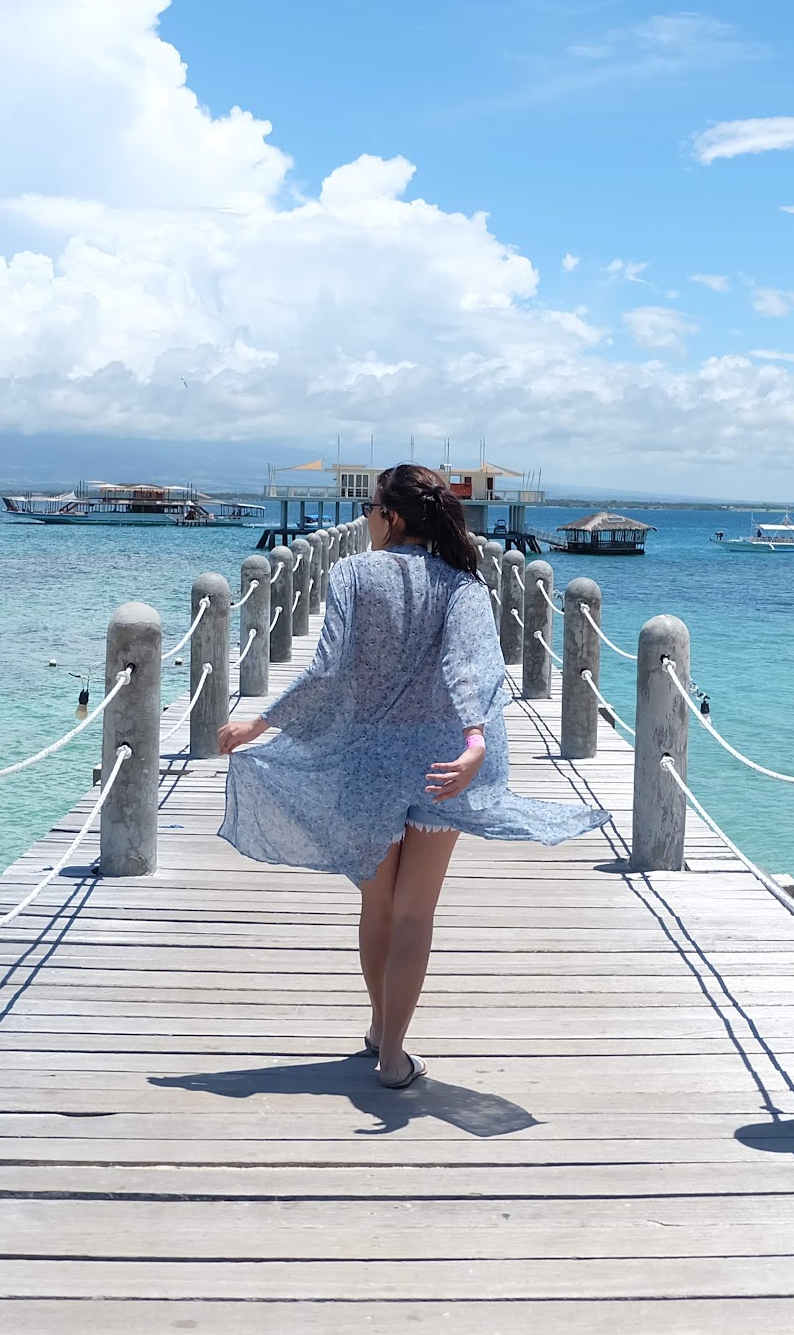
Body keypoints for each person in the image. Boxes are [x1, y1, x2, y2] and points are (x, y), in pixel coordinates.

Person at [216, 464, 609, 1089]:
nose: (367, 517)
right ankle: (393, 1054)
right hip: (438, 764)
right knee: (414, 914)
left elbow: (325, 672)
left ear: (393, 516)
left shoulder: (351, 574)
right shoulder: (461, 584)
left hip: (366, 763)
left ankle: (379, 1027)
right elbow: (470, 670)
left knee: (378, 906)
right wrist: (475, 743)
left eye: (372, 507)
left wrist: (258, 724)